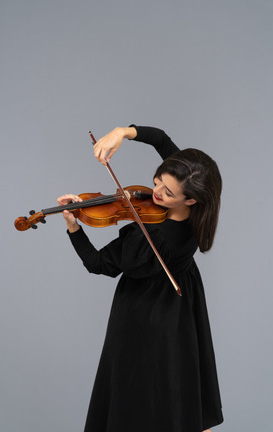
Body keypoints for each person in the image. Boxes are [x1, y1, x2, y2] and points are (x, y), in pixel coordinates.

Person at [57, 125, 224, 432]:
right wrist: (123, 132)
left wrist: (73, 225)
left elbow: (96, 263)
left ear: (191, 200)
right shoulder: (195, 186)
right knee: (179, 374)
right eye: (158, 181)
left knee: (140, 390)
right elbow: (160, 139)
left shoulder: (150, 238)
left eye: (167, 193)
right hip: (181, 301)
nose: (154, 193)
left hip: (145, 311)